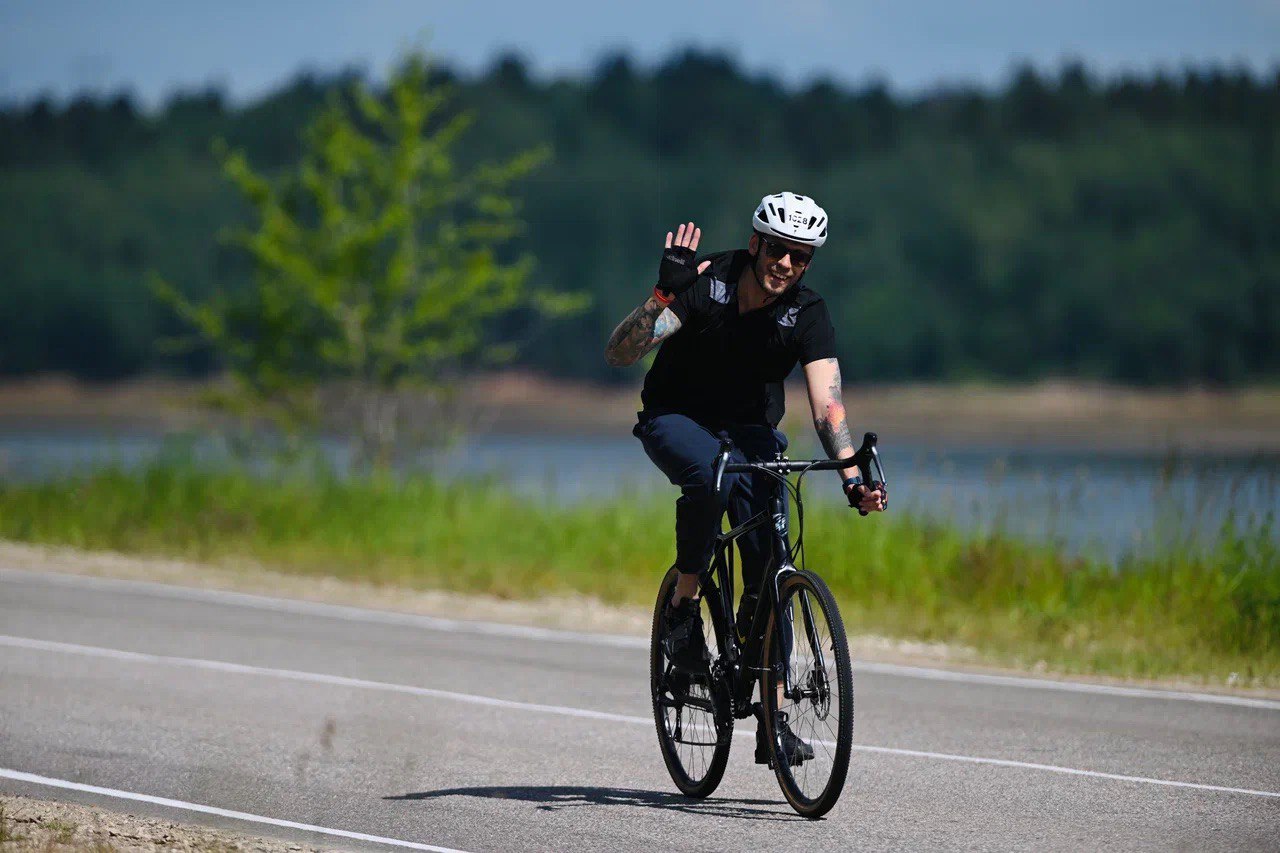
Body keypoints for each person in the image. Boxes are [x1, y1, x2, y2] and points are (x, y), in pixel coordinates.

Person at [604, 191, 887, 765]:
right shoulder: (708, 283)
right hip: (675, 419)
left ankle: (771, 721)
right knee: (709, 475)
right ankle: (684, 610)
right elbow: (620, 353)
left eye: (801, 256)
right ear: (757, 243)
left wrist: (853, 474)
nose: (787, 263)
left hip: (751, 433)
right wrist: (663, 295)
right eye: (779, 249)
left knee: (772, 560)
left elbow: (828, 408)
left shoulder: (807, 314)